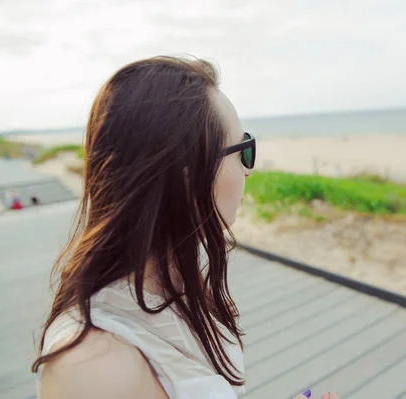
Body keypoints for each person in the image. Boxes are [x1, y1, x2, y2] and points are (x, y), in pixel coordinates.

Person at [33, 56, 334, 399]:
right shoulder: (92, 367)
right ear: (186, 176)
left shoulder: (177, 288)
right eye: (243, 150)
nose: (249, 170)